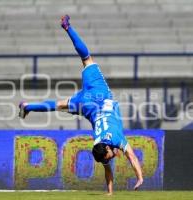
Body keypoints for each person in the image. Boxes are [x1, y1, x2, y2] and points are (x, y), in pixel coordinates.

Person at [19, 15, 143, 195]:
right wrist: (126, 184)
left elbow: (120, 162)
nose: (110, 158)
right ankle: (27, 107)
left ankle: (27, 107)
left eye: (108, 157)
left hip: (94, 101)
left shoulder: (109, 144)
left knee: (85, 60)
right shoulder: (105, 143)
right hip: (92, 102)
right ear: (106, 149)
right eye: (108, 157)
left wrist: (126, 184)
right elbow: (121, 161)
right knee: (83, 64)